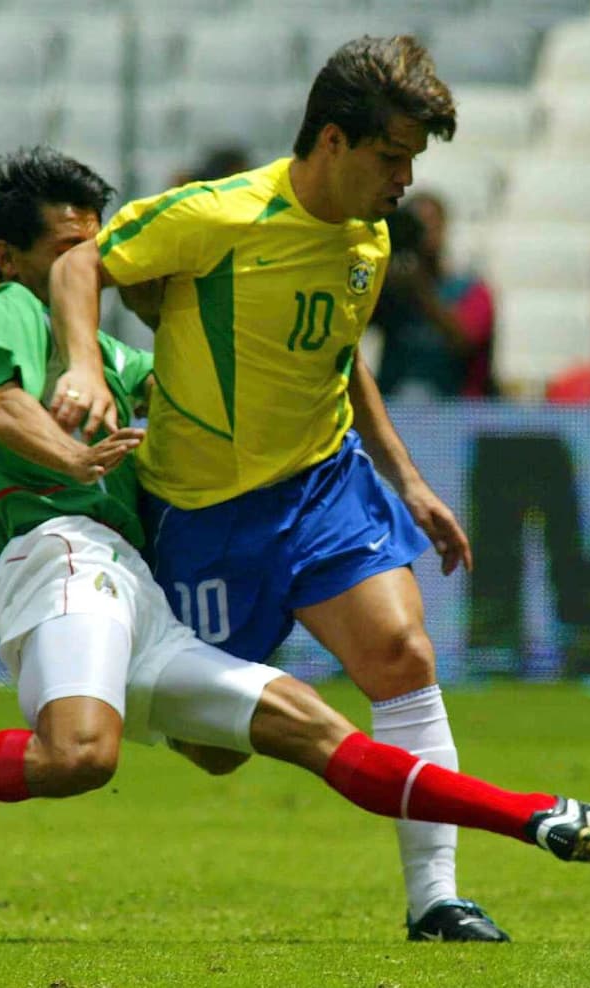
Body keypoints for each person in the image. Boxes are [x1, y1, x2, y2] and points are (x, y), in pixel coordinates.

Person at [0, 147, 590, 896]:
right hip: (64, 556)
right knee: (82, 757)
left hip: (136, 591)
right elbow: (5, 407)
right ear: (10, 257)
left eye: (98, 239)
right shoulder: (12, 313)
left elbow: (284, 378)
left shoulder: (121, 360)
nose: (95, 260)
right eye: (71, 248)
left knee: (306, 728)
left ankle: (541, 820)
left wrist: (374, 455)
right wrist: (72, 459)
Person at [48, 36, 511, 941]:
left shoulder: (369, 239)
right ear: (332, 141)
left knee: (402, 657)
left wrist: (406, 479)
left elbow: (339, 360)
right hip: (206, 512)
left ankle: (437, 900)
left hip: (323, 483)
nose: (405, 179)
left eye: (414, 160)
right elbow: (79, 264)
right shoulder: (220, 214)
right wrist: (86, 368)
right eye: (392, 156)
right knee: (211, 752)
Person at [374, 192, 495, 398]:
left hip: (453, 409)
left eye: (431, 224)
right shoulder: (389, 288)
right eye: (416, 225)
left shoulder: (471, 289)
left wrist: (420, 290)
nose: (424, 233)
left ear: (444, 228)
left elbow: (464, 341)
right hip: (392, 404)